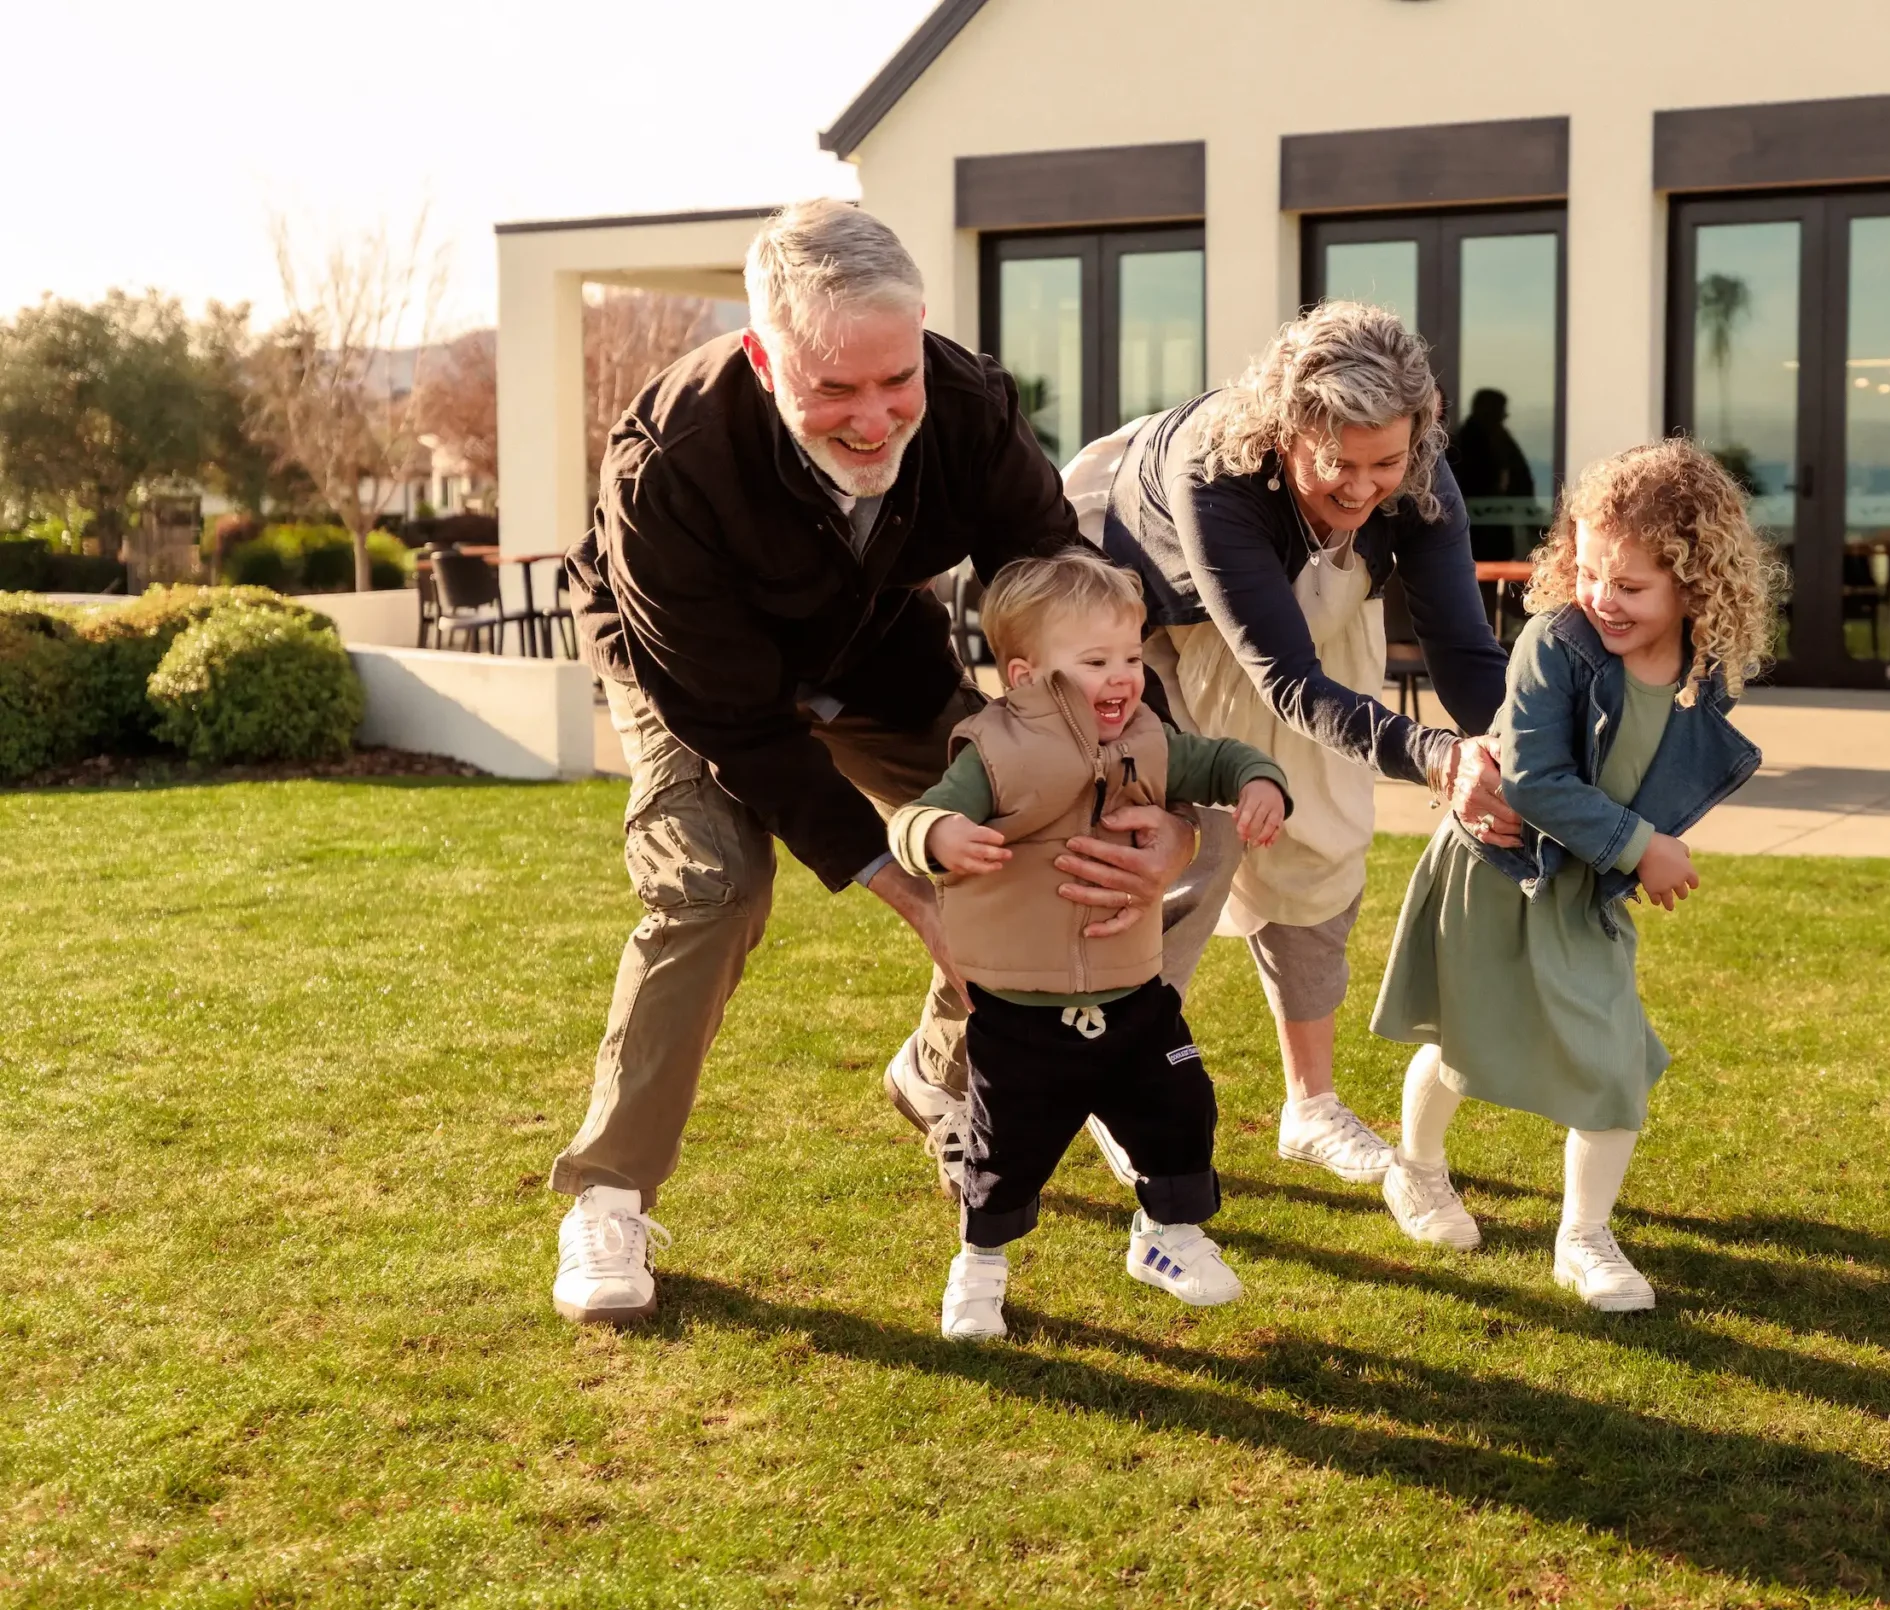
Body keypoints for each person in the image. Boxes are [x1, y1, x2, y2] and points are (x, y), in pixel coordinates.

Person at [547, 201, 1214, 1325]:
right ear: (764, 358)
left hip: (869, 645)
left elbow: (1059, 589)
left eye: (892, 380)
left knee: (1027, 834)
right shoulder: (667, 461)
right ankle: (607, 1196)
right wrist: (907, 886)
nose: (873, 419)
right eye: (834, 391)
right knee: (713, 885)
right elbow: (745, 724)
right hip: (693, 682)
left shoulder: (965, 405)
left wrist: (1125, 780)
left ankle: (938, 1070)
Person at [1089, 302, 1518, 1189]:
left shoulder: (1424, 476)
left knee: (1320, 830)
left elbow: (1464, 652)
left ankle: (1310, 1106)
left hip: (1309, 593)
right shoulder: (1220, 471)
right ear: (1287, 434)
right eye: (1337, 467)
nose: (1364, 489)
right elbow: (1284, 679)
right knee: (1195, 839)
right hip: (1142, 600)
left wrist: (1520, 752)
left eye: (1385, 464)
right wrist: (1436, 757)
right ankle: (1113, 1078)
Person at [1369, 439, 1781, 1310]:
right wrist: (1643, 846)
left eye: (1630, 586)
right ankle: (1416, 1169)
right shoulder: (1557, 645)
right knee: (1460, 1042)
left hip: (1579, 887)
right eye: (1589, 572)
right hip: (1495, 871)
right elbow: (1534, 782)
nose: (1602, 598)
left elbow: (1657, 765)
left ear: (1694, 585)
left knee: (1611, 1059)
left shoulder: (1701, 671)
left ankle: (1583, 1238)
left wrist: (1636, 847)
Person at [884, 553, 1291, 1341]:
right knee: (1005, 1153)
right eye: (1097, 661)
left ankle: (1168, 1239)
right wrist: (940, 835)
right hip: (1021, 1008)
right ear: (1026, 674)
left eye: (1133, 657)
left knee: (1180, 1112)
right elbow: (913, 820)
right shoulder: (996, 754)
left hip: (1134, 992)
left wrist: (1261, 782)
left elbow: (1225, 759)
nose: (1123, 677)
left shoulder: (1149, 739)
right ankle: (980, 1269)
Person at [1447, 387, 1538, 563]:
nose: (1504, 415)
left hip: (1494, 526)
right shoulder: (1468, 441)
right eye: (1499, 409)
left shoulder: (1499, 438)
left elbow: (1520, 479)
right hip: (1476, 529)